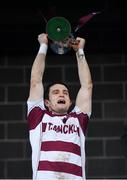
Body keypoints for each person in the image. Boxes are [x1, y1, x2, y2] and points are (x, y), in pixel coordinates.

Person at [27, 33, 93, 180]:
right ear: (47, 103)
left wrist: (80, 51)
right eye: (55, 93)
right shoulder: (38, 116)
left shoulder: (78, 119)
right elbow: (35, 81)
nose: (61, 95)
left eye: (65, 93)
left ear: (70, 102)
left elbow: (87, 86)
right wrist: (43, 45)